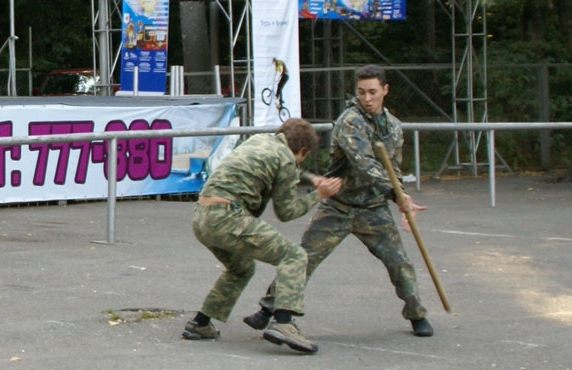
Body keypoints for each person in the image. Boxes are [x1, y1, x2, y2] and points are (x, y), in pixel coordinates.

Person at [244, 64, 435, 338]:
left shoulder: (393, 127)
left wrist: (400, 197)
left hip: (373, 209)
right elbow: (364, 163)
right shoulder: (349, 121)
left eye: (372, 92)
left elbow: (393, 169)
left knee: (399, 263)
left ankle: (417, 314)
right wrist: (396, 193)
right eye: (361, 92)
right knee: (304, 258)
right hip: (338, 205)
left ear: (385, 90)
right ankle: (269, 308)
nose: (366, 98)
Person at [182, 118, 343, 353]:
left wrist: (309, 178)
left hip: (202, 216)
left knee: (241, 269)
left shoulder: (259, 140)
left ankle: (200, 323)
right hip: (229, 218)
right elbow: (286, 212)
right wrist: (318, 194)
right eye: (303, 157)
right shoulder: (287, 160)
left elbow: (285, 167)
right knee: (295, 256)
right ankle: (284, 323)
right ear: (303, 150)